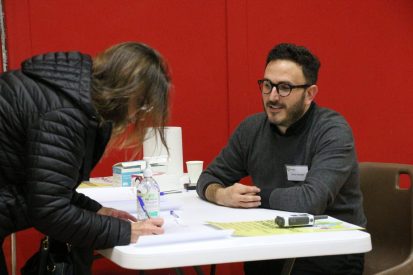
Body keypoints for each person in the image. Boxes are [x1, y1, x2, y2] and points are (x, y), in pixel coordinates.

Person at [0, 42, 170, 274]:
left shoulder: (67, 96)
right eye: (143, 104)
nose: (138, 115)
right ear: (127, 92)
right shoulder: (65, 114)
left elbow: (46, 186)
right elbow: (50, 211)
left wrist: (95, 211)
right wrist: (125, 231)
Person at [196, 43, 366, 275]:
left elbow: (309, 202)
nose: (272, 97)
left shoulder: (332, 131)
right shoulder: (251, 129)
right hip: (270, 245)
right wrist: (221, 194)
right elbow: (209, 177)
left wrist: (251, 196)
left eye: (284, 87)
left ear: (309, 94)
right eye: (267, 85)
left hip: (328, 249)